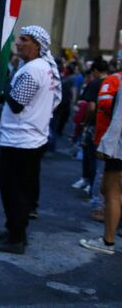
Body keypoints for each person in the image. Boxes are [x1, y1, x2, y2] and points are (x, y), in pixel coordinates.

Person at [0, 25, 61, 254]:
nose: (18, 42)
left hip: (21, 141)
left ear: (37, 46)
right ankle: (14, 230)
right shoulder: (40, 67)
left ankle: (16, 238)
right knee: (20, 190)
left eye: (24, 39)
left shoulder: (32, 70)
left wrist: (5, 84)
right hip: (28, 140)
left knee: (13, 191)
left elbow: (17, 104)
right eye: (19, 38)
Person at [80, 71, 122, 254]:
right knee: (109, 189)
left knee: (112, 191)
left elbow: (118, 119)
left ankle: (107, 242)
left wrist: (108, 145)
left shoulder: (116, 80)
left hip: (118, 147)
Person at [71, 59, 109, 221]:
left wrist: (85, 121)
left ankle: (90, 186)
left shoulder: (96, 84)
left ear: (94, 71)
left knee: (91, 156)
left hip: (97, 127)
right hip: (107, 129)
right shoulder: (111, 81)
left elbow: (92, 107)